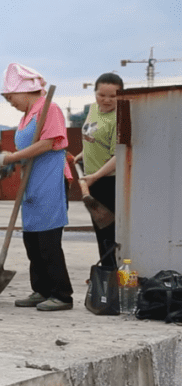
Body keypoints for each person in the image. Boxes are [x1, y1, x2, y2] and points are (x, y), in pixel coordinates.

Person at [0, 63, 73, 311]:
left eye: (11, 98)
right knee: (32, 239)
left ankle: (61, 294)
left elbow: (48, 143)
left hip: (50, 178)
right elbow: (25, 149)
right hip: (31, 182)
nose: (11, 103)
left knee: (48, 239)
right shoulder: (27, 116)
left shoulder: (49, 108)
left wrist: (9, 158)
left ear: (25, 91)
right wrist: (13, 159)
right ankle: (40, 290)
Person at [75, 72, 123, 269]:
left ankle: (113, 275)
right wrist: (83, 154)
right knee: (99, 231)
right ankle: (106, 273)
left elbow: (118, 155)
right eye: (101, 95)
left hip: (108, 181)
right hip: (91, 180)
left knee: (110, 233)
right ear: (95, 93)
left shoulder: (119, 117)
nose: (106, 100)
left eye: (113, 96)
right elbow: (91, 136)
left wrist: (95, 176)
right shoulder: (94, 109)